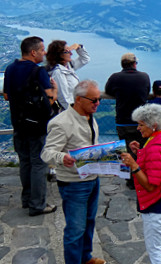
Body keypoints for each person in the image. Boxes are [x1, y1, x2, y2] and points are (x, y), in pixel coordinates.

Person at [40, 80, 106, 264]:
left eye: (99, 99)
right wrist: (62, 158)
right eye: (94, 100)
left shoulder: (89, 116)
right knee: (75, 229)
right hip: (74, 183)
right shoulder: (61, 123)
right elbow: (46, 152)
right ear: (78, 99)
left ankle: (86, 258)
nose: (98, 103)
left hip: (92, 178)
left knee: (89, 222)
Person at [120, 104, 161, 264]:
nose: (138, 128)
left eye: (141, 124)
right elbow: (157, 165)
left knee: (155, 249)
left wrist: (134, 166)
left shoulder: (154, 148)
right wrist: (140, 152)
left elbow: (151, 185)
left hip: (157, 206)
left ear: (153, 125)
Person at [3, 36, 58, 216]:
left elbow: (6, 96)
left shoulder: (10, 69)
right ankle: (37, 205)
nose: (44, 53)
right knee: (39, 163)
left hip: (18, 123)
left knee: (25, 162)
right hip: (36, 124)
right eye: (42, 50)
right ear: (33, 52)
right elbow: (50, 100)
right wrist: (55, 91)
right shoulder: (38, 71)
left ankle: (27, 200)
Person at [105, 52, 150, 189]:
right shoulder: (144, 77)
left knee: (126, 151)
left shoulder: (115, 77)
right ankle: (141, 178)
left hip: (123, 120)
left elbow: (109, 91)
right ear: (135, 63)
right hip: (140, 121)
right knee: (141, 150)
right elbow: (147, 91)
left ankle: (130, 180)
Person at [46, 40, 90, 111]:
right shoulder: (58, 72)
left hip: (73, 108)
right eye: (67, 51)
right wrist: (75, 113)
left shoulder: (68, 66)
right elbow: (63, 98)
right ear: (59, 55)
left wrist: (78, 47)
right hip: (67, 112)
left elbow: (85, 59)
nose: (71, 53)